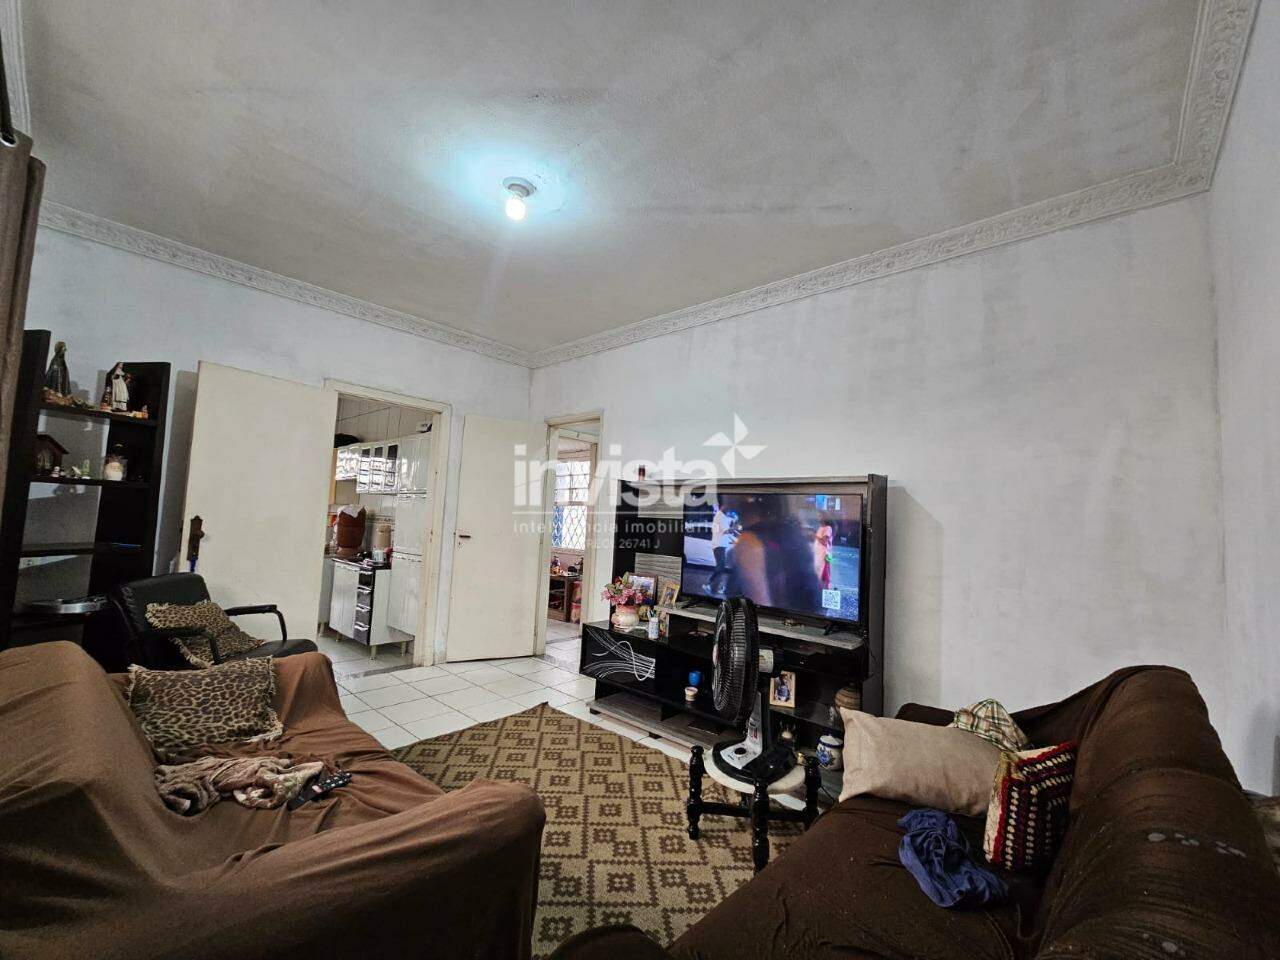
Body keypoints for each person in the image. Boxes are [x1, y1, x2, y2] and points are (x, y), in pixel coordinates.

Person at [728, 497, 822, 613]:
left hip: (783, 617)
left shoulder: (749, 541)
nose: (734, 505)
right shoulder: (790, 529)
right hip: (808, 617)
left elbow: (761, 610)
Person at [708, 504, 737, 594]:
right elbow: (727, 531)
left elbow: (725, 531)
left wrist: (732, 524)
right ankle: (711, 584)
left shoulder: (721, 516)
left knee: (720, 567)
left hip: (719, 545)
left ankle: (713, 585)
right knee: (720, 567)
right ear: (723, 506)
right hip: (719, 545)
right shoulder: (720, 516)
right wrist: (734, 524)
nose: (729, 509)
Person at [813, 523, 834, 590]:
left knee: (824, 573)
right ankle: (821, 588)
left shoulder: (828, 528)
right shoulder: (821, 528)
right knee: (822, 572)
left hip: (825, 554)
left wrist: (816, 536)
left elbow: (825, 542)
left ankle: (825, 589)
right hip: (821, 554)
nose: (819, 518)